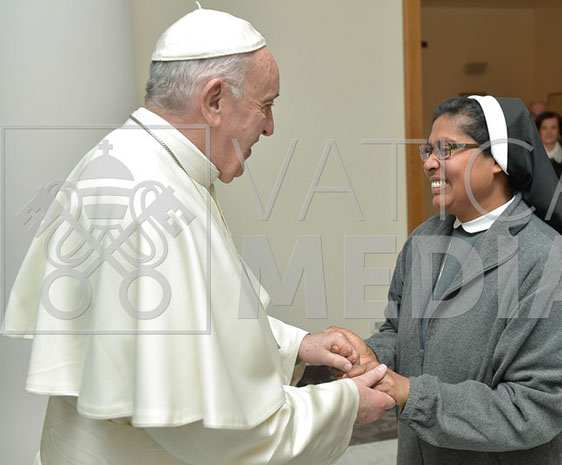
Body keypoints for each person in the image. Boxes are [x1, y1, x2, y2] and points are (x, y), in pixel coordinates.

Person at [1, 8, 394, 465]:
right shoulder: (147, 196)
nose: (270, 127)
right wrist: (346, 405)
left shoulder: (133, 161)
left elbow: (193, 319)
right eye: (265, 105)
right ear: (214, 100)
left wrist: (297, 345)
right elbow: (216, 431)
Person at [330, 96, 562, 465]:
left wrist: (411, 394)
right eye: (428, 150)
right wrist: (373, 356)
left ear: (497, 159)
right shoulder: (423, 241)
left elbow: (535, 407)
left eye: (446, 149)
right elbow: (398, 330)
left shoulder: (547, 260)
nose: (429, 163)